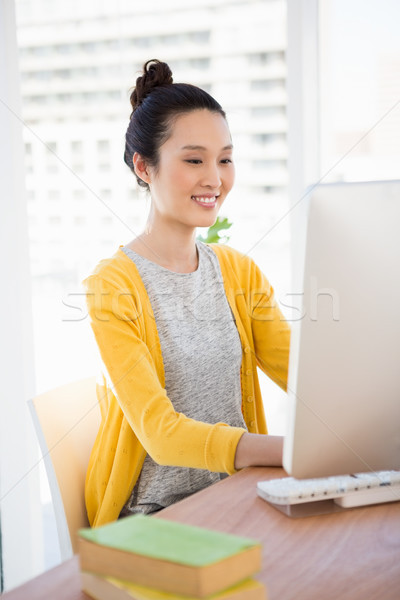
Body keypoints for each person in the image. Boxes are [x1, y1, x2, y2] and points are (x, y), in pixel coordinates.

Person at [83, 59, 290, 528]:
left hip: (240, 497)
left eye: (225, 158)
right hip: (156, 518)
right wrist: (291, 453)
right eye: (194, 159)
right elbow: (161, 434)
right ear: (144, 166)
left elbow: (302, 370)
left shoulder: (238, 271)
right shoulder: (113, 287)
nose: (215, 178)